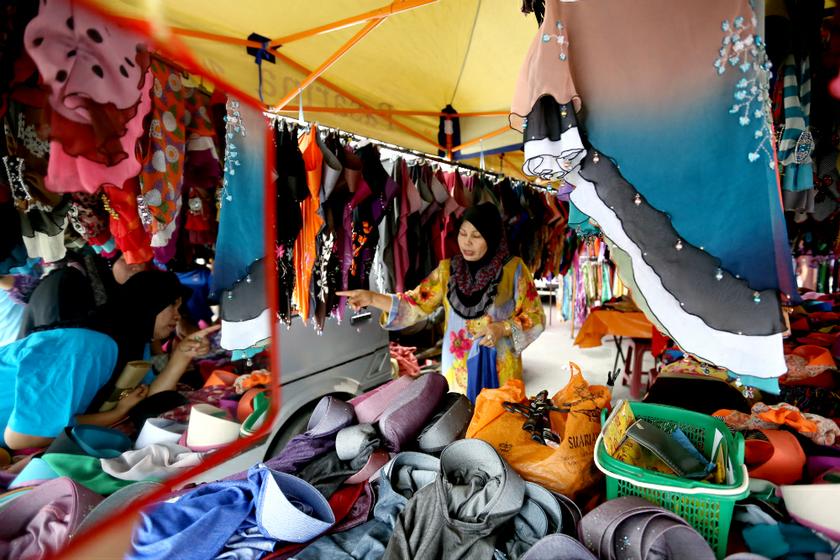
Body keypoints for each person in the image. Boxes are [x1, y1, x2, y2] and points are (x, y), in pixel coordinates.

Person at [338, 202, 546, 395]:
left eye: (476, 235)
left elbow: (535, 316)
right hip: (456, 372)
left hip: (500, 371)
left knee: (498, 428)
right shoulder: (448, 271)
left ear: (491, 237)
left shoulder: (514, 269)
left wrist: (503, 328)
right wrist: (372, 298)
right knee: (458, 425)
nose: (467, 242)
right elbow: (415, 304)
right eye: (463, 234)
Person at [0, 270, 219, 450]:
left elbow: (146, 397)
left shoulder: (129, 343)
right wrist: (115, 414)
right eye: (173, 305)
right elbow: (23, 437)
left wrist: (182, 354)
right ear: (149, 302)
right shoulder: (84, 347)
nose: (178, 316)